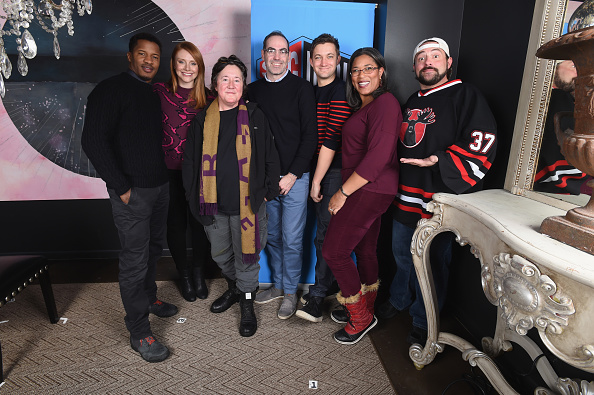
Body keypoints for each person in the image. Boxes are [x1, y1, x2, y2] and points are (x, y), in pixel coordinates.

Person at [376, 37, 497, 345]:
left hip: (439, 199)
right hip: (406, 194)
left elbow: (482, 140)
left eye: (435, 56)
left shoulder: (465, 94)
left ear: (448, 62)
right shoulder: (411, 101)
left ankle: (422, 317)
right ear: (415, 66)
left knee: (432, 261)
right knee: (401, 253)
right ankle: (399, 298)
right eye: (421, 58)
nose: (427, 61)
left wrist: (439, 159)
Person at [81, 32, 177, 362]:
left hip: (159, 187)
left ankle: (150, 298)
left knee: (153, 248)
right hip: (131, 193)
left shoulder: (153, 93)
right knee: (134, 262)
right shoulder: (110, 90)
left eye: (154, 56)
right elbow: (92, 141)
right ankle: (139, 331)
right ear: (130, 56)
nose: (149, 61)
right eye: (142, 54)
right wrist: (121, 186)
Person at [183, 55, 280, 337]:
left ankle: (247, 305)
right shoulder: (203, 119)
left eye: (237, 79)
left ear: (243, 86)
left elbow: (270, 155)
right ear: (215, 84)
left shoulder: (254, 115)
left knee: (247, 257)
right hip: (213, 204)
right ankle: (236, 290)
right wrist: (193, 199)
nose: (231, 84)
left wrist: (266, 192)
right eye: (225, 78)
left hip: (248, 205)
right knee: (221, 255)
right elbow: (190, 163)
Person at [322, 47, 401, 345]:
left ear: (381, 72)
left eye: (368, 68)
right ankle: (365, 309)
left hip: (367, 189)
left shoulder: (386, 103)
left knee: (334, 252)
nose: (360, 75)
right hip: (371, 188)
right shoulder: (367, 107)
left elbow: (378, 156)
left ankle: (361, 318)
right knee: (366, 250)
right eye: (355, 70)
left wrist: (342, 193)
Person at [248, 31, 317, 319]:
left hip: (295, 179)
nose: (276, 56)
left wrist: (292, 175)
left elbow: (310, 138)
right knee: (272, 236)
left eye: (282, 51)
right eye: (271, 51)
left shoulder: (302, 89)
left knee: (292, 238)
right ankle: (277, 284)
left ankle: (290, 292)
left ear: (289, 56)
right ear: (263, 55)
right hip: (266, 181)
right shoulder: (251, 91)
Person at [295, 33, 350, 323]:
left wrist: (316, 181)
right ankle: (330, 285)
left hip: (335, 171)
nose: (324, 62)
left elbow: (331, 139)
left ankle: (317, 297)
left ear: (338, 60)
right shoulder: (311, 92)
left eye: (330, 56)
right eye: (318, 56)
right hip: (316, 168)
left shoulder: (341, 90)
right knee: (320, 234)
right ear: (311, 61)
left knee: (325, 236)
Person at [154, 42, 212, 302]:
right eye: (181, 62)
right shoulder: (158, 92)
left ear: (199, 66)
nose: (187, 68)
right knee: (176, 225)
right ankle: (185, 275)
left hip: (201, 173)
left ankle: (199, 273)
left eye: (193, 63)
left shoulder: (210, 98)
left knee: (200, 225)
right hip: (168, 172)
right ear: (173, 64)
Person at [533, 60, 587, 194]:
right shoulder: (557, 97)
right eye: (574, 66)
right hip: (552, 186)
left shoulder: (573, 102)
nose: (579, 72)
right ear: (552, 66)